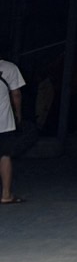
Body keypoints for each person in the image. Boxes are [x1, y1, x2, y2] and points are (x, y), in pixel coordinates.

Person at [0, 56, 26, 204]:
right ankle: (6, 195)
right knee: (4, 155)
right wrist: (18, 114)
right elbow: (16, 94)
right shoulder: (10, 68)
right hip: (3, 121)